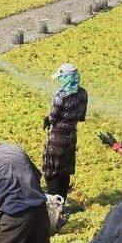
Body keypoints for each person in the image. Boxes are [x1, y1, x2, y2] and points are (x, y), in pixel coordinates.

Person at [42, 63, 88, 198]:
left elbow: (53, 116)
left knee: (52, 171)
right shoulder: (83, 94)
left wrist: (48, 119)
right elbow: (81, 116)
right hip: (71, 138)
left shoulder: (61, 95)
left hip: (57, 140)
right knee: (65, 170)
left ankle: (53, 201)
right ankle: (62, 200)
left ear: (66, 78)